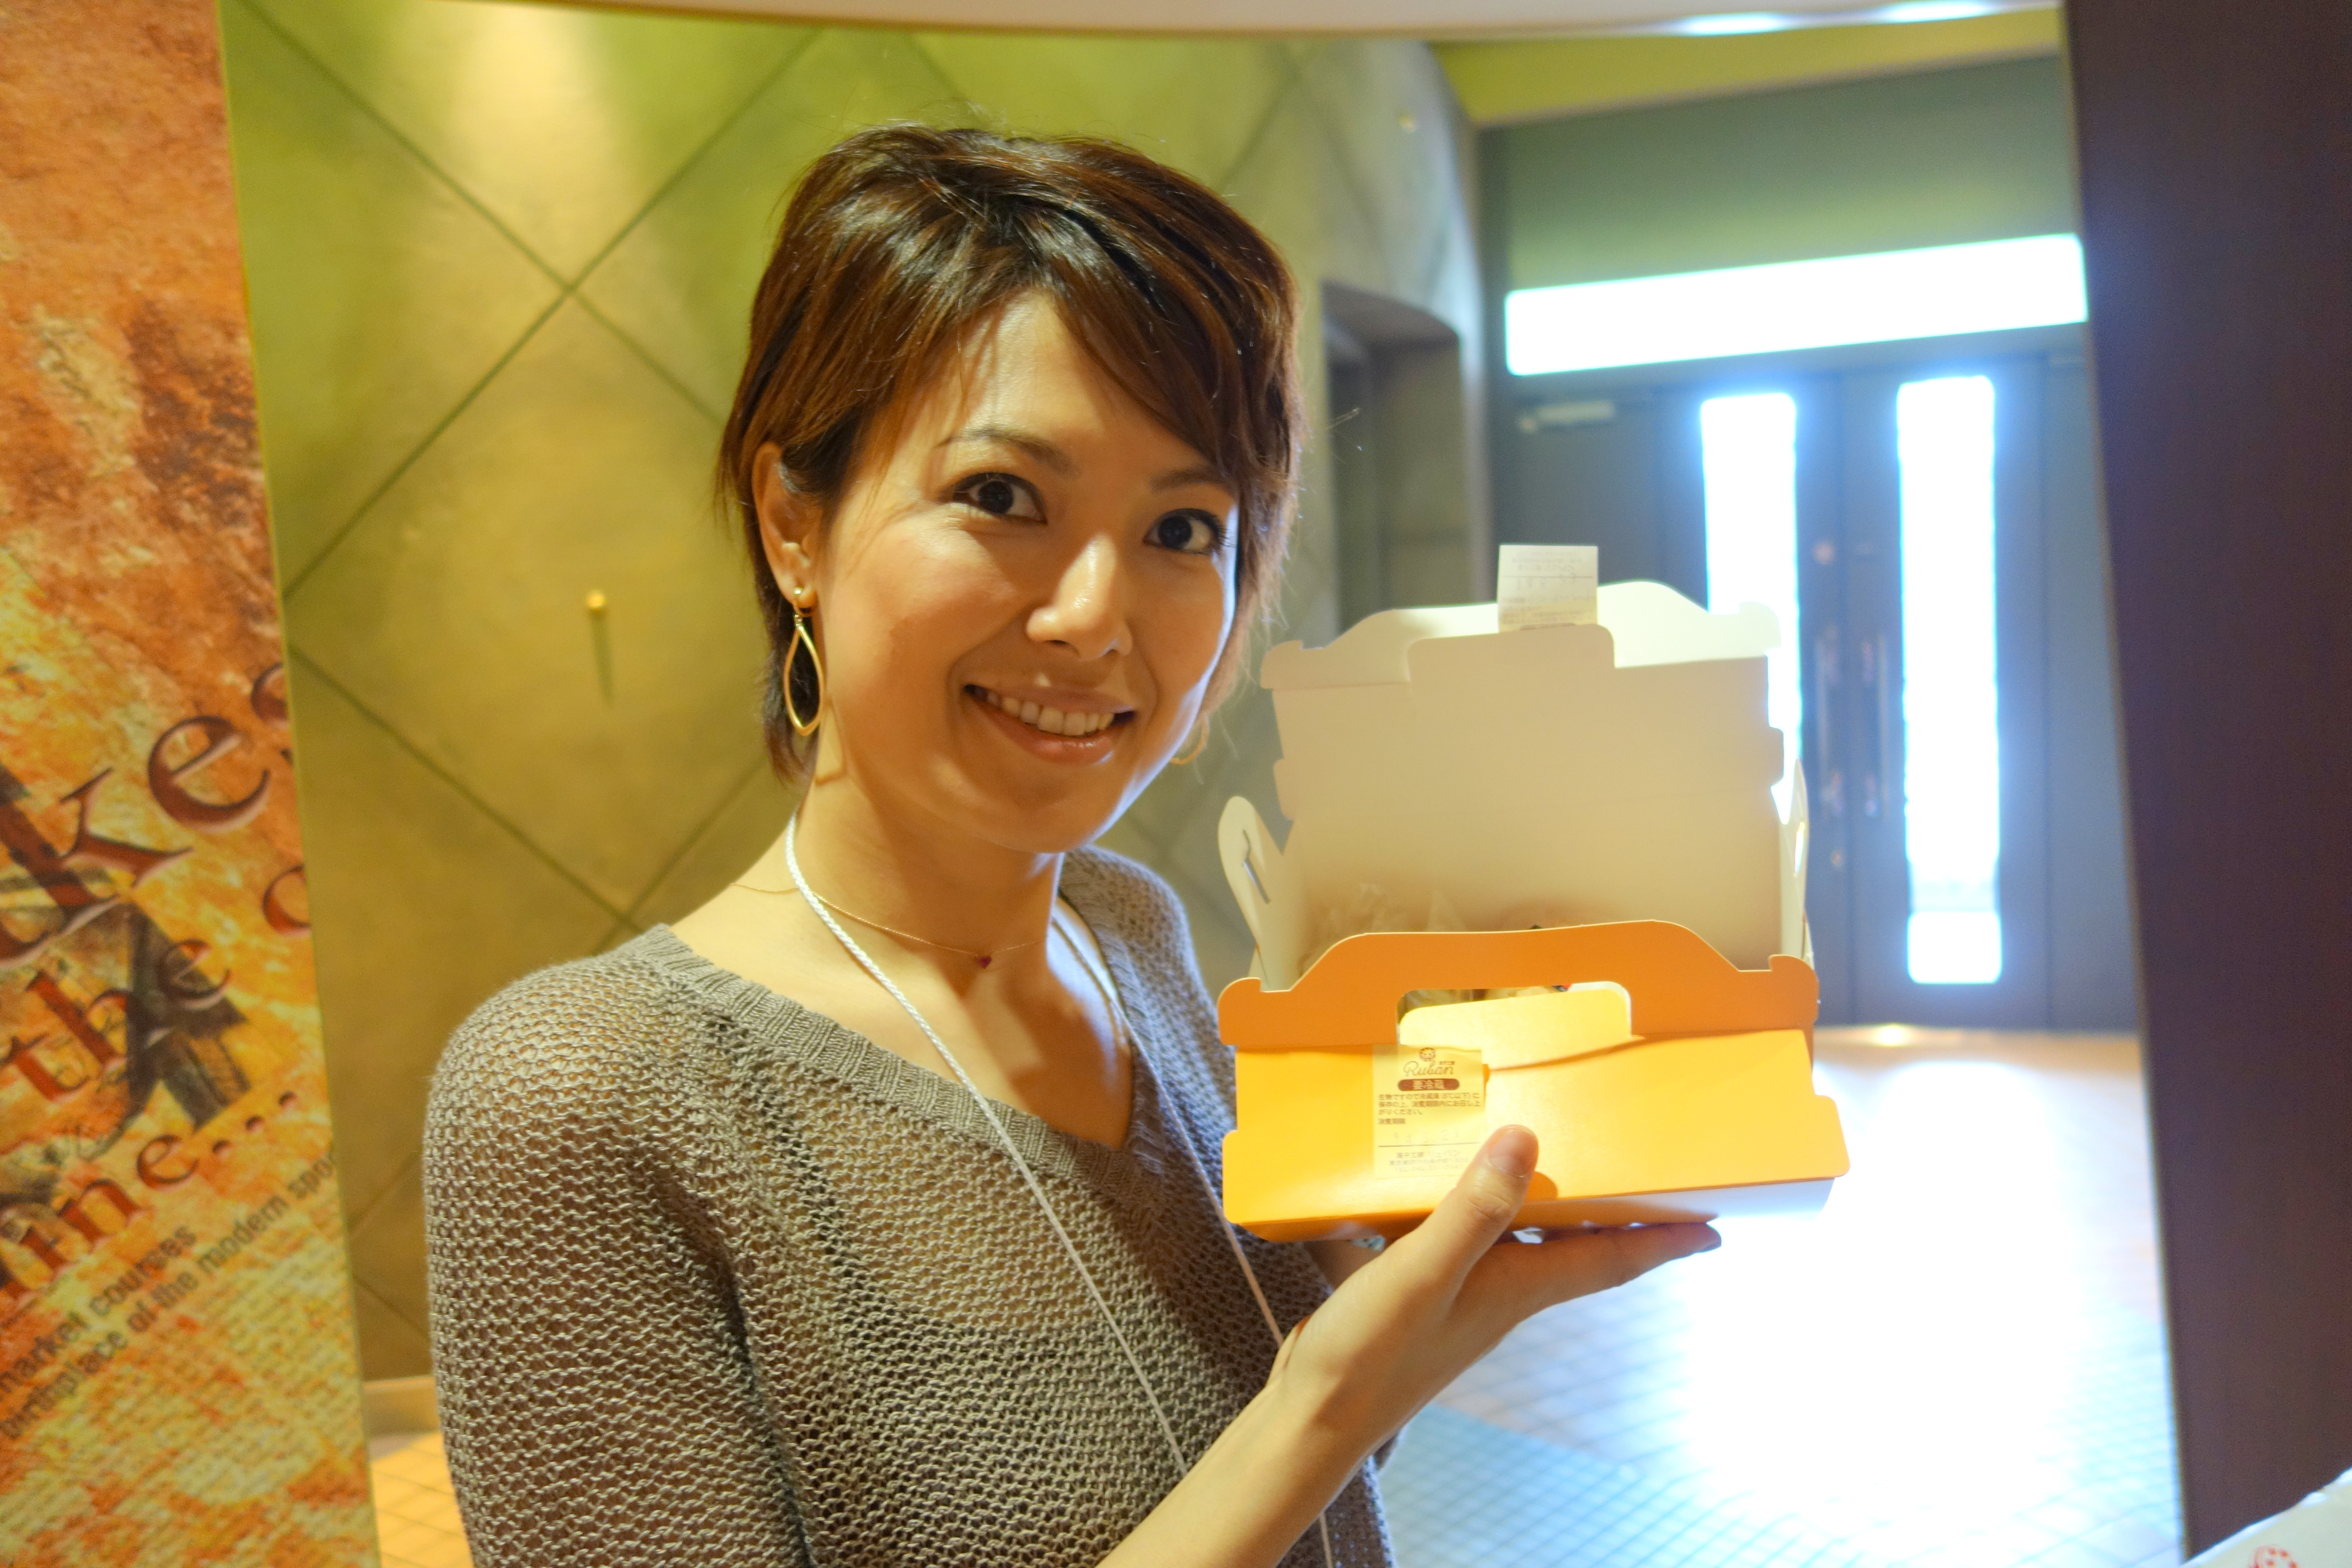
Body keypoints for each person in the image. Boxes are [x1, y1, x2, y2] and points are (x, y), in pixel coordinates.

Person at [422, 123, 1720, 1568]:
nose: (1096, 617)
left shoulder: (1130, 933)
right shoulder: (587, 1099)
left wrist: (1405, 1300)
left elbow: (1264, 1478)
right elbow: (1300, 1432)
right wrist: (1330, 1402)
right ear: (795, 525)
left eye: (1185, 527)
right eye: (1001, 497)